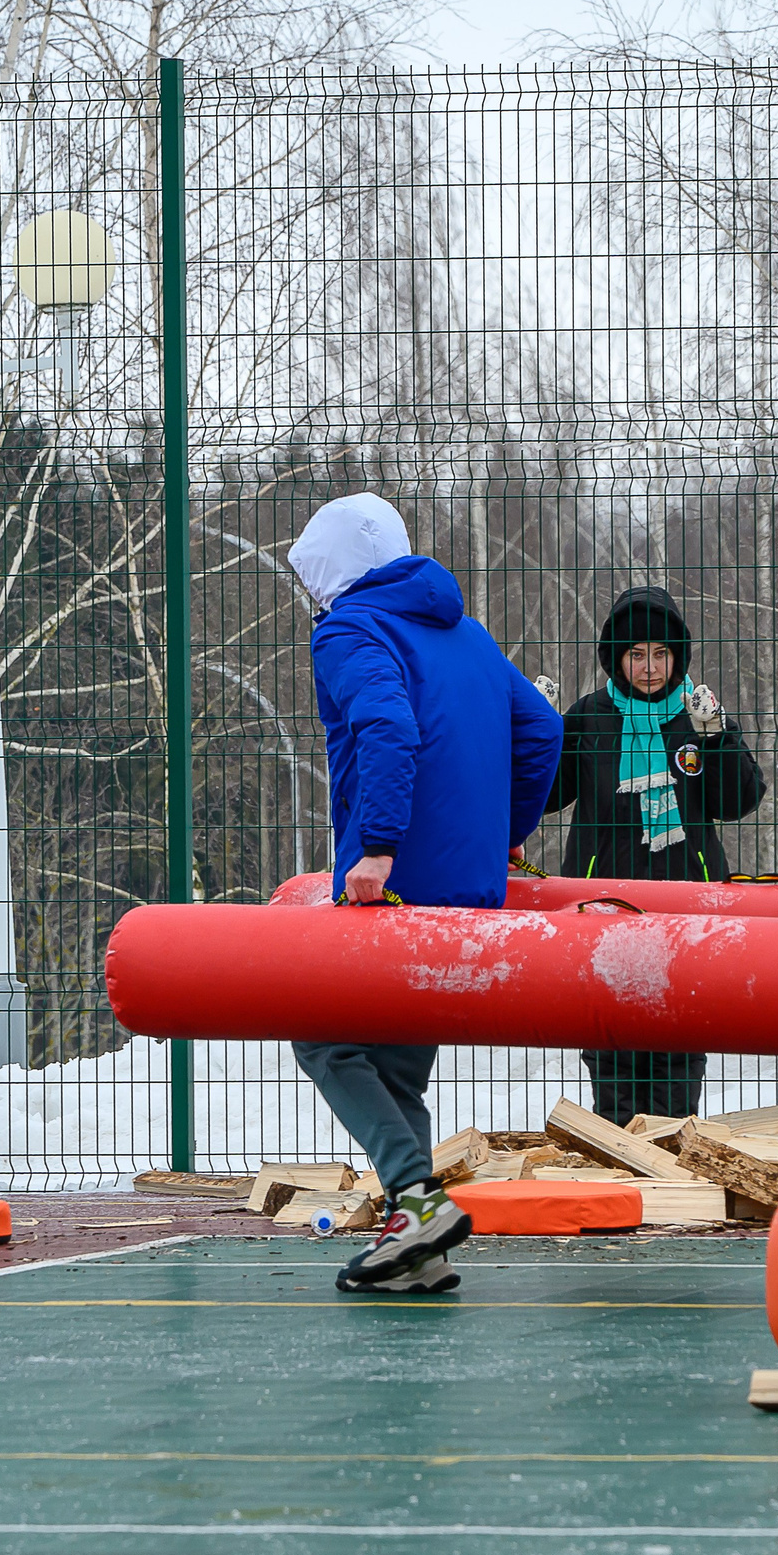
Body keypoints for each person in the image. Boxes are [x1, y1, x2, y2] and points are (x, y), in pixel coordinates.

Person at [288, 492, 564, 1294]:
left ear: (331, 569)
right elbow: (541, 728)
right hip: (469, 889)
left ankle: (416, 1200)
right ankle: (421, 1246)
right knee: (396, 1063)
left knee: (324, 1038)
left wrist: (376, 848)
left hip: (396, 885)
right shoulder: (466, 633)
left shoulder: (351, 629)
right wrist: (507, 831)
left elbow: (386, 726)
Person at [545, 585, 767, 1123]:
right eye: (637, 654)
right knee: (612, 1044)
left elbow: (740, 800)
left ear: (679, 656)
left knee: (678, 1038)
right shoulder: (589, 718)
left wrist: (717, 737)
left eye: (662, 654)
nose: (650, 667)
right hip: (604, 906)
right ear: (617, 659)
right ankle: (620, 1165)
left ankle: (675, 1174)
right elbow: (546, 797)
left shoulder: (697, 717)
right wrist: (540, 733)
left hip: (684, 906)